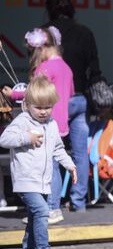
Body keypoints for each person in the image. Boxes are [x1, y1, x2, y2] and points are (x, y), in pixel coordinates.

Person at [0, 76, 77, 249]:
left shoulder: (51, 124)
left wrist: (70, 165)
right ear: (27, 104)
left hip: (43, 181)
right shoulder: (23, 121)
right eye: (38, 107)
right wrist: (26, 137)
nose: (43, 112)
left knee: (35, 216)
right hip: (26, 179)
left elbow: (58, 148)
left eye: (48, 107)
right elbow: (4, 139)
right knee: (42, 211)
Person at [4, 26, 75, 223]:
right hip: (59, 122)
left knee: (46, 165)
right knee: (53, 162)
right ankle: (53, 207)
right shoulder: (66, 68)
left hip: (44, 123)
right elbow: (70, 93)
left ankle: (49, 208)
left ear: (41, 48)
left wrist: (13, 94)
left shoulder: (45, 68)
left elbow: (34, 91)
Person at [44, 0, 93, 213]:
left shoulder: (46, 35)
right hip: (79, 97)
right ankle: (79, 202)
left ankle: (52, 205)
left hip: (54, 101)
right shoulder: (84, 32)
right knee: (81, 153)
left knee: (52, 151)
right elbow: (95, 69)